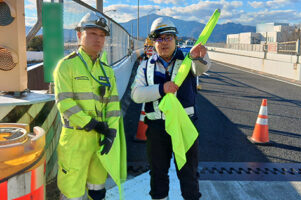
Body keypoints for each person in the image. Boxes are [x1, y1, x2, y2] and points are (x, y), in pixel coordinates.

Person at [131, 17, 211, 200]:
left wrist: (201, 56)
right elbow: (136, 94)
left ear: (176, 39)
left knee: (189, 175)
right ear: (153, 41)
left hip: (184, 126)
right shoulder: (145, 66)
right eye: (159, 38)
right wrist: (162, 88)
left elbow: (201, 68)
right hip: (157, 129)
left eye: (168, 37)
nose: (164, 42)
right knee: (158, 174)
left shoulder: (187, 61)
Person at [54, 12, 121, 200]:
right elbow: (64, 103)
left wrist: (111, 133)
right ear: (79, 35)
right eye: (92, 33)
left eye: (102, 35)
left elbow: (114, 105)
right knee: (71, 193)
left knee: (97, 189)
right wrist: (93, 123)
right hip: (75, 139)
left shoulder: (107, 71)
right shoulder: (66, 66)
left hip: (100, 140)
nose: (98, 39)